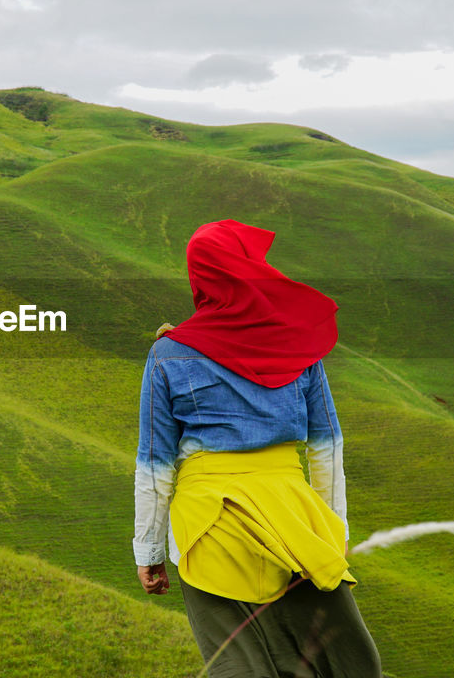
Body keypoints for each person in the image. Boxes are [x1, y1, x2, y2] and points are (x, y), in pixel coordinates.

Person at [133, 219, 381, 678]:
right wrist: (333, 530)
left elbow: (155, 464)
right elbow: (327, 447)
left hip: (208, 523)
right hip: (293, 518)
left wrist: (147, 551)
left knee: (238, 662)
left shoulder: (168, 355)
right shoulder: (298, 345)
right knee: (332, 661)